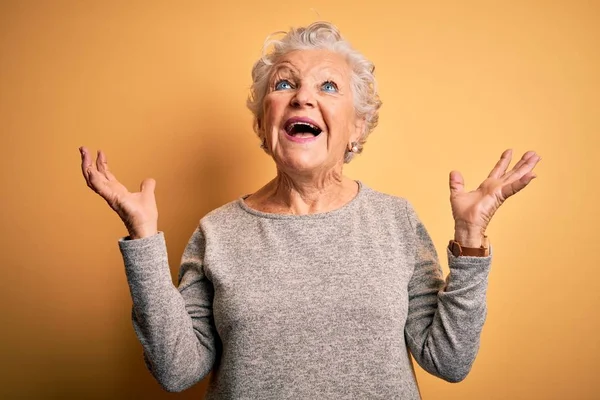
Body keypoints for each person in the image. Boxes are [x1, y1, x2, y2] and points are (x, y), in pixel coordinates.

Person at [79, 21, 540, 399]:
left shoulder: (395, 221)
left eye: (328, 86)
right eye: (285, 84)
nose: (303, 96)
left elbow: (449, 361)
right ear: (263, 123)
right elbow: (178, 371)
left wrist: (471, 238)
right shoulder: (216, 232)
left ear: (357, 126)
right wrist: (142, 241)